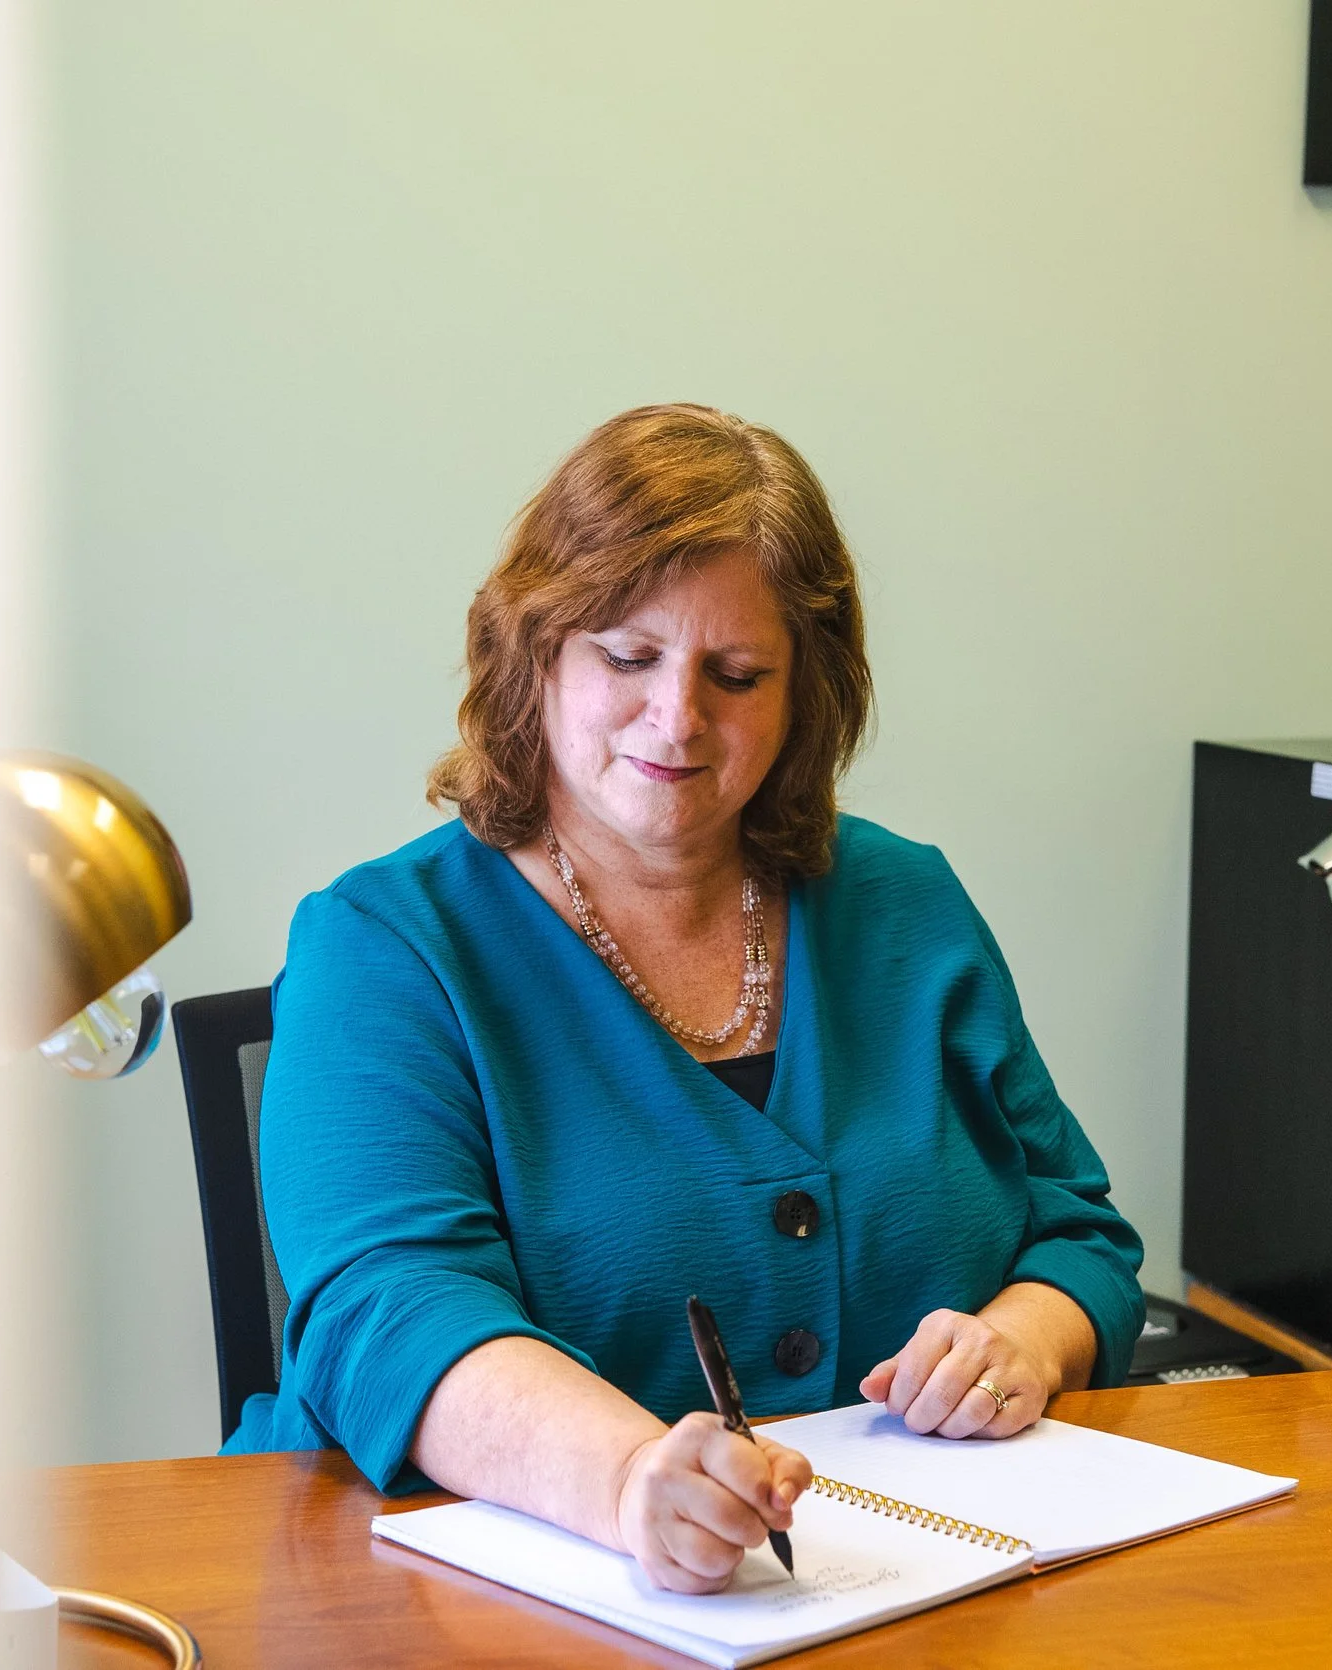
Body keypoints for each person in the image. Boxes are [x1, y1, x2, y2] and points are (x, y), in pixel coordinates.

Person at [225, 404, 1144, 1593]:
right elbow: (386, 1310)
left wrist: (1023, 1336)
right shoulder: (383, 944)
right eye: (627, 656)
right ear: (536, 651)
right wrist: (622, 1482)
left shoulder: (908, 903)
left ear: (802, 693)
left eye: (738, 673)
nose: (678, 717)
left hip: (907, 1597)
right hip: (449, 1606)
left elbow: (1077, 1229)